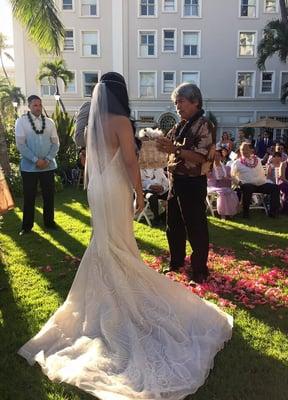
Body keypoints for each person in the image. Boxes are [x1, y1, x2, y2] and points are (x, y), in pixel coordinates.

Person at [18, 73, 232, 400]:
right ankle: (121, 296)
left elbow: (85, 160)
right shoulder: (120, 120)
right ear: (121, 93)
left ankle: (109, 292)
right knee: (118, 242)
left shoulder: (91, 125)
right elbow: (131, 161)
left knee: (105, 241)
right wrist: (139, 193)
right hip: (116, 187)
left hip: (97, 188)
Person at [156, 83, 215, 283]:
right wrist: (157, 142)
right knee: (173, 225)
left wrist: (175, 149)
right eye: (175, 103)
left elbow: (201, 157)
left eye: (180, 102)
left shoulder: (204, 125)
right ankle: (176, 263)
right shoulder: (180, 125)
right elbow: (168, 143)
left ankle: (199, 270)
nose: (177, 107)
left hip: (193, 182)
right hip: (176, 180)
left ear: (195, 102)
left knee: (195, 226)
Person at [15, 95, 59, 235]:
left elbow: (55, 143)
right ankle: (26, 227)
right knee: (29, 197)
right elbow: (21, 145)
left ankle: (49, 223)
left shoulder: (50, 122)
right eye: (35, 105)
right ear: (29, 106)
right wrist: (35, 160)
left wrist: (47, 159)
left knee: (49, 196)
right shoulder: (21, 122)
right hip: (29, 167)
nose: (38, 108)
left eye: (40, 105)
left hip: (48, 166)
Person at [231, 142, 280, 218]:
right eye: (242, 150)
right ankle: (246, 213)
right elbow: (232, 175)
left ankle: (272, 212)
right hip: (247, 184)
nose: (244, 151)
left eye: (246, 149)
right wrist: (239, 182)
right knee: (247, 187)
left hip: (261, 184)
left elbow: (264, 161)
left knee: (275, 187)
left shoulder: (257, 159)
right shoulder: (237, 162)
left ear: (251, 150)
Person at [207, 150, 239, 219]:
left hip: (224, 186)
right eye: (215, 156)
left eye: (218, 155)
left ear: (221, 157)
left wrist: (226, 178)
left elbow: (230, 178)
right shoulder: (209, 167)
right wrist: (217, 178)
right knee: (223, 192)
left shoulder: (226, 168)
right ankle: (223, 214)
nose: (216, 157)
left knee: (231, 192)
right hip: (213, 186)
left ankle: (230, 213)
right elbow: (209, 179)